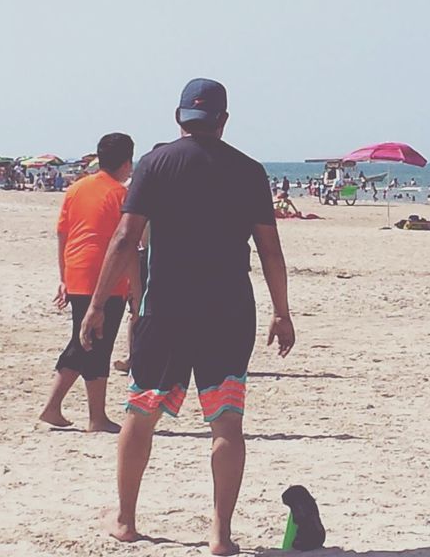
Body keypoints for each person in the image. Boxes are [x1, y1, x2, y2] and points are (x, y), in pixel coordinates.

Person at [79, 79, 294, 553]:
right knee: (226, 422)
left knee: (141, 412)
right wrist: (282, 311)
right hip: (229, 310)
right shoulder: (249, 171)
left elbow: (124, 238)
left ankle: (127, 521)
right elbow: (270, 249)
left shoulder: (155, 164)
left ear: (179, 118)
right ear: (223, 120)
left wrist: (97, 304)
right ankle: (220, 534)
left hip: (166, 310)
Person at [40, 133, 138, 433]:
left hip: (77, 272)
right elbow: (127, 245)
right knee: (96, 344)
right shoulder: (120, 195)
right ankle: (95, 417)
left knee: (82, 342)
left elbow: (62, 234)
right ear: (126, 162)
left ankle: (54, 408)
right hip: (105, 278)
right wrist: (137, 288)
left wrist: (63, 276)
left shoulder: (77, 188)